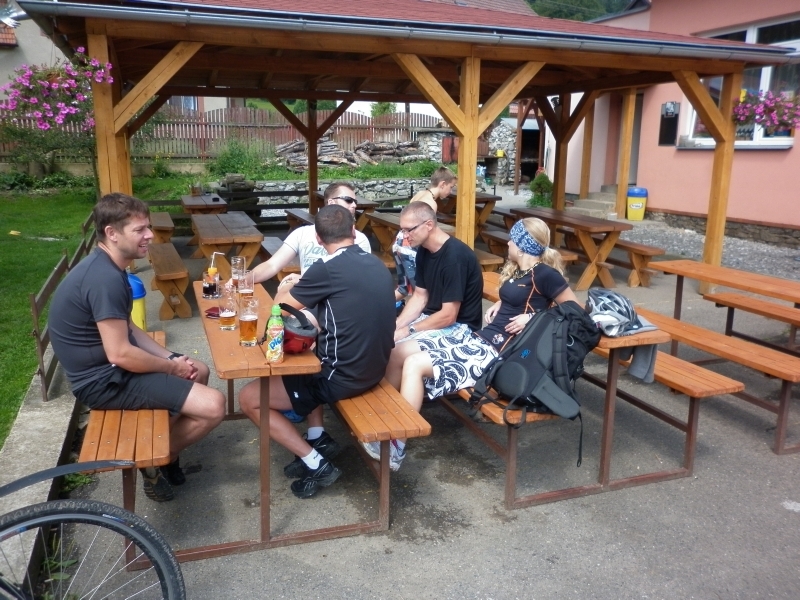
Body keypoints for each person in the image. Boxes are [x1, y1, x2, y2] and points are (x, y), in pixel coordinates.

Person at [48, 193, 225, 502]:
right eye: (140, 229)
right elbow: (121, 354)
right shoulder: (104, 279)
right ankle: (155, 458)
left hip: (112, 369)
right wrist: (171, 367)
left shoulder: (109, 266)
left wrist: (172, 357)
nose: (150, 235)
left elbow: (128, 327)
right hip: (103, 382)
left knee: (198, 370)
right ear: (112, 233)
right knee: (214, 406)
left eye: (148, 227)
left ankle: (159, 449)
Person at [369, 218, 580, 471]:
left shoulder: (545, 274)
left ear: (523, 245)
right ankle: (386, 425)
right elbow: (525, 297)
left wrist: (533, 318)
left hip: (496, 355)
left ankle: (396, 445)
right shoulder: (520, 270)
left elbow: (576, 311)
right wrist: (502, 303)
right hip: (479, 341)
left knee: (415, 364)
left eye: (512, 240)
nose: (508, 243)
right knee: (404, 354)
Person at [238, 204, 395, 499]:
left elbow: (279, 310)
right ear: (353, 231)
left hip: (342, 377)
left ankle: (316, 463)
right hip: (375, 367)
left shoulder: (327, 269)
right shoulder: (376, 263)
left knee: (249, 399)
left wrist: (286, 285)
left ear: (319, 239)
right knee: (305, 356)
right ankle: (316, 437)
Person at [370, 202, 483, 469]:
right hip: (434, 320)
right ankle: (382, 417)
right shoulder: (423, 250)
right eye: (402, 230)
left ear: (429, 225)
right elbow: (420, 297)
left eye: (408, 230)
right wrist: (396, 326)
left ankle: (397, 443)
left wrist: (408, 330)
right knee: (387, 342)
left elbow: (449, 315)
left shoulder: (455, 257)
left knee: (400, 351)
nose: (404, 236)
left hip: (460, 329)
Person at [250, 181, 371, 282]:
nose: (354, 205)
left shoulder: (359, 239)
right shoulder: (302, 233)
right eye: (348, 200)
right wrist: (243, 280)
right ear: (331, 202)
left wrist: (304, 281)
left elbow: (355, 280)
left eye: (355, 201)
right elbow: (272, 265)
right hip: (306, 298)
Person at [393, 166, 456, 302]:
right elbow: (428, 232)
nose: (451, 191)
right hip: (409, 245)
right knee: (420, 291)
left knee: (403, 288)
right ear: (442, 184)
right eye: (451, 187)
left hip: (399, 241)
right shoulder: (431, 204)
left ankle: (379, 306)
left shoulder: (420, 194)